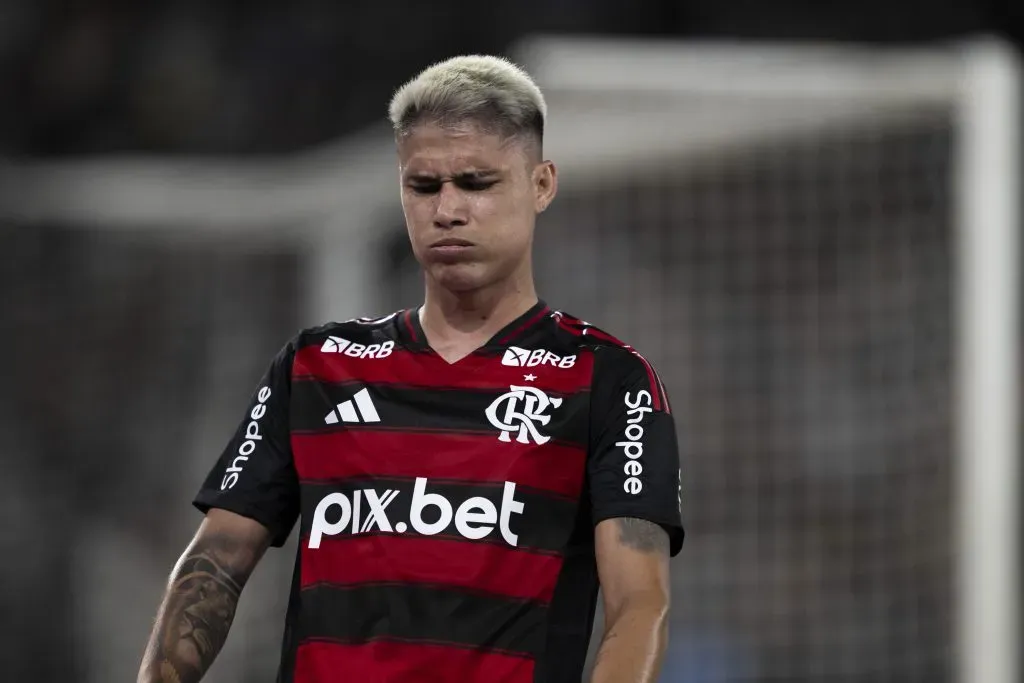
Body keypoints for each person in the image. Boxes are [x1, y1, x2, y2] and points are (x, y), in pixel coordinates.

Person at [137, 54, 684, 683]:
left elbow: (638, 604)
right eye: (423, 186)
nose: (447, 209)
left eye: (476, 183)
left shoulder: (606, 380)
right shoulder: (316, 367)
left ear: (541, 185)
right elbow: (215, 562)